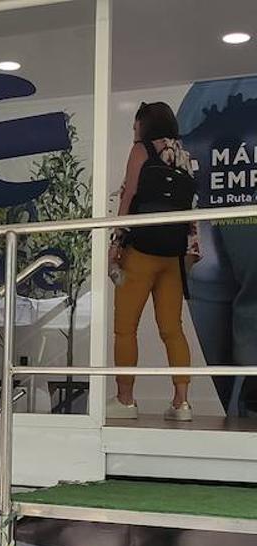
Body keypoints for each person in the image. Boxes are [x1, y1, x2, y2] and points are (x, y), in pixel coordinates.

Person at [107, 101, 200, 422]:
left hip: (141, 251)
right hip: (172, 256)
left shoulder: (141, 149)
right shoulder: (183, 155)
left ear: (145, 126)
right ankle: (182, 403)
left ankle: (126, 399)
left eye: (135, 126)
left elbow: (128, 195)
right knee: (173, 330)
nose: (134, 132)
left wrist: (115, 242)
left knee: (125, 329)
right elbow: (191, 210)